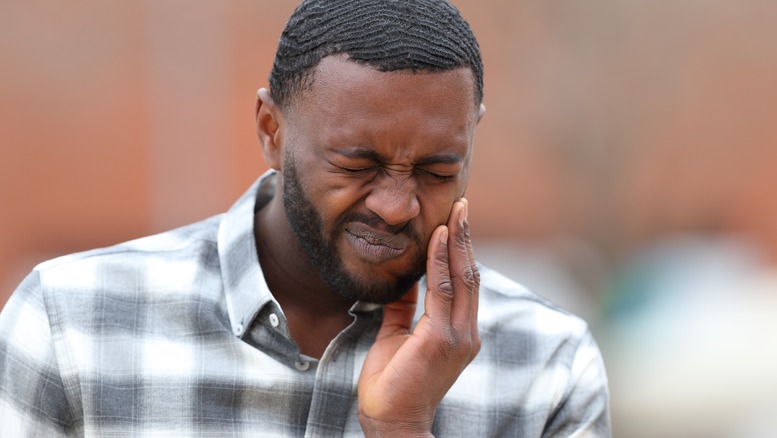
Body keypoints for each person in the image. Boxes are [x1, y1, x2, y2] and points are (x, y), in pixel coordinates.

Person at [0, 0, 610, 436]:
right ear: (271, 131)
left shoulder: (545, 367)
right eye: (357, 164)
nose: (396, 206)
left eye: (436, 172)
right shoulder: (70, 326)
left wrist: (402, 430)